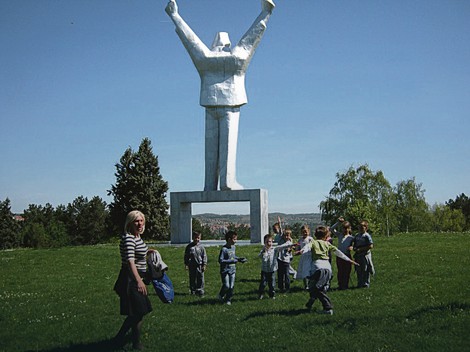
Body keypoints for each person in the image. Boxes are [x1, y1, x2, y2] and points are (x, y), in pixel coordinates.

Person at [165, 0, 275, 191]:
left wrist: (175, 16)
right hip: (230, 105)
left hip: (210, 105)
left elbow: (190, 41)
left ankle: (209, 184)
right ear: (228, 43)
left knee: (211, 150)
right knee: (228, 147)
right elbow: (251, 38)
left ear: (214, 43)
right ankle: (227, 181)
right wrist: (266, 14)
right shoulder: (236, 58)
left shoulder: (205, 58)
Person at [113, 210, 152, 350]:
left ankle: (128, 341)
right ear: (129, 223)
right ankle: (126, 340)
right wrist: (138, 281)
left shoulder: (137, 237)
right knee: (137, 312)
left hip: (136, 277)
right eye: (136, 221)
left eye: (141, 220)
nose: (140, 223)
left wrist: (149, 252)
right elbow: (130, 261)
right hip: (130, 279)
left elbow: (137, 253)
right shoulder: (129, 238)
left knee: (138, 312)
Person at [303, 226, 359, 315]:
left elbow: (307, 247)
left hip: (317, 268)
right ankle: (312, 299)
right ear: (326, 236)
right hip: (327, 268)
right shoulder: (327, 244)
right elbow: (338, 252)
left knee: (318, 288)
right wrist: (349, 260)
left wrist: (301, 251)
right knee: (314, 286)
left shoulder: (313, 242)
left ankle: (328, 308)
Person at [258, 233, 295, 299]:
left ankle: (272, 295)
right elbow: (260, 256)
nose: (268, 243)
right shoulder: (263, 250)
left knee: (272, 284)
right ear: (264, 243)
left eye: (270, 241)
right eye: (267, 242)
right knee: (263, 283)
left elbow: (283, 246)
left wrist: (291, 244)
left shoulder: (274, 249)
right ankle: (261, 294)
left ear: (272, 242)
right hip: (264, 270)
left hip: (272, 270)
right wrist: (263, 252)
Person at [218, 230, 247, 305]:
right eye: (234, 239)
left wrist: (239, 259)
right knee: (226, 285)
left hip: (232, 270)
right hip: (225, 270)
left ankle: (228, 299)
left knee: (231, 286)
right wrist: (231, 261)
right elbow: (221, 260)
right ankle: (221, 295)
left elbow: (233, 257)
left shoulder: (233, 247)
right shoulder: (224, 249)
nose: (236, 241)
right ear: (229, 239)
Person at [330, 217, 354, 290]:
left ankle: (345, 285)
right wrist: (338, 222)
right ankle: (340, 284)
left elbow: (354, 245)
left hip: (347, 255)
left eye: (347, 228)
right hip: (340, 256)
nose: (345, 230)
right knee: (340, 271)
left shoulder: (351, 237)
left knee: (347, 270)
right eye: (344, 228)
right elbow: (331, 229)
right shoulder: (340, 235)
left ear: (349, 228)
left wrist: (352, 247)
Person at [352, 220, 375, 288]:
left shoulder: (367, 236)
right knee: (359, 269)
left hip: (365, 255)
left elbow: (370, 246)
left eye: (363, 226)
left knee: (365, 269)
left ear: (366, 228)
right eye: (360, 226)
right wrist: (354, 248)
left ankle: (366, 283)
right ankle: (360, 283)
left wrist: (361, 249)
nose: (361, 228)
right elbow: (355, 244)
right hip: (358, 255)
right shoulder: (357, 235)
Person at [184, 231, 208, 296]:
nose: (196, 239)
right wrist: (186, 264)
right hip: (192, 265)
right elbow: (186, 255)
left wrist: (204, 264)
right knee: (192, 278)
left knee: (200, 277)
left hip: (199, 265)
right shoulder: (189, 247)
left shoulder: (201, 247)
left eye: (198, 238)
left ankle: (200, 290)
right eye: (195, 238)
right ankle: (193, 290)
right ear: (193, 238)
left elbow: (204, 256)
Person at [295, 225, 314, 290]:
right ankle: (305, 285)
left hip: (309, 256)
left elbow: (313, 247)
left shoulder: (310, 239)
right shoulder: (300, 240)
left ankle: (310, 284)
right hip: (303, 257)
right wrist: (296, 251)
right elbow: (298, 248)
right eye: (303, 232)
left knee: (309, 271)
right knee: (304, 271)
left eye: (306, 232)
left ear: (309, 231)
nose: (305, 233)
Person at [276, 228, 295, 293]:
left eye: (288, 235)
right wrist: (279, 223)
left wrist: (290, 249)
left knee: (286, 275)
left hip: (286, 261)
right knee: (280, 274)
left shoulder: (289, 242)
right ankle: (280, 287)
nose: (286, 237)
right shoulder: (281, 240)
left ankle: (287, 287)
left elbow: (290, 249)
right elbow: (280, 231)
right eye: (285, 235)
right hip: (279, 259)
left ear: (290, 236)